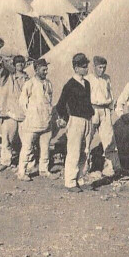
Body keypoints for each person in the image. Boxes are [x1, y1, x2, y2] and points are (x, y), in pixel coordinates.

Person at [55, 53, 96, 191]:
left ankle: (81, 178)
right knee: (74, 151)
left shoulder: (87, 84)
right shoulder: (70, 85)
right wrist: (66, 119)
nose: (86, 68)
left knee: (85, 151)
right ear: (76, 68)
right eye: (83, 66)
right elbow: (60, 105)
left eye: (86, 66)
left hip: (88, 120)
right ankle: (70, 182)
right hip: (76, 120)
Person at [17, 58, 55, 182]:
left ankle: (43, 170)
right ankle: (22, 172)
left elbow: (50, 100)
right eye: (43, 70)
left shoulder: (48, 83)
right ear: (36, 70)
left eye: (46, 69)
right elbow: (22, 102)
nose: (46, 72)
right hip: (32, 122)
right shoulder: (30, 84)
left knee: (45, 147)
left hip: (46, 121)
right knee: (27, 148)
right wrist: (30, 114)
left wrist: (48, 113)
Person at [86, 55, 123, 178]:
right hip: (92, 110)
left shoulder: (107, 79)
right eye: (100, 67)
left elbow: (111, 95)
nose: (102, 70)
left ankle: (113, 168)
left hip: (105, 110)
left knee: (109, 140)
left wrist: (111, 108)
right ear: (94, 67)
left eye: (104, 67)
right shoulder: (88, 79)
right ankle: (84, 169)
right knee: (86, 140)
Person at [0, 55, 29, 172]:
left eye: (22, 62)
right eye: (17, 62)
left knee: (25, 140)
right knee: (7, 139)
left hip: (24, 114)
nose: (20, 64)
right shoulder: (8, 77)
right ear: (14, 65)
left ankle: (24, 163)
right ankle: (5, 161)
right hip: (10, 113)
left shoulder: (28, 79)